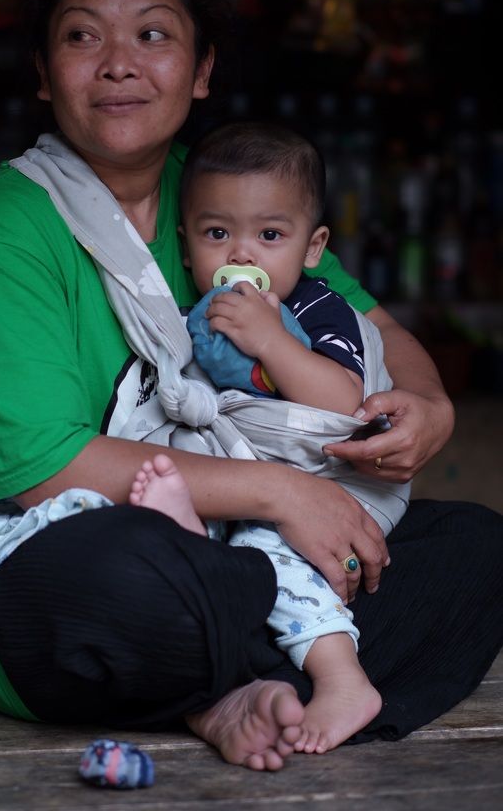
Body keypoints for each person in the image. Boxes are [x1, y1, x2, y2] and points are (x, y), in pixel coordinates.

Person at [0, 0, 503, 773]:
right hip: (46, 564)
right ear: (44, 73)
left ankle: (246, 681)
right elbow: (33, 469)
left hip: (240, 551)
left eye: (154, 34)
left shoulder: (223, 199)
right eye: (82, 35)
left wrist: (428, 405)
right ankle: (243, 672)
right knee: (131, 574)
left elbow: (377, 324)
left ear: (202, 69)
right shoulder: (4, 226)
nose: (120, 62)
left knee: (472, 548)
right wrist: (282, 493)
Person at [129, 121, 405, 753]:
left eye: (270, 235)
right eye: (216, 233)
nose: (241, 257)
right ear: (186, 242)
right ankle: (200, 551)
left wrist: (271, 341)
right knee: (173, 524)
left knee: (263, 540)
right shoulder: (193, 317)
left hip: (338, 483)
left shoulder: (316, 308)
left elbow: (346, 403)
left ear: (313, 247)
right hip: (251, 472)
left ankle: (342, 677)